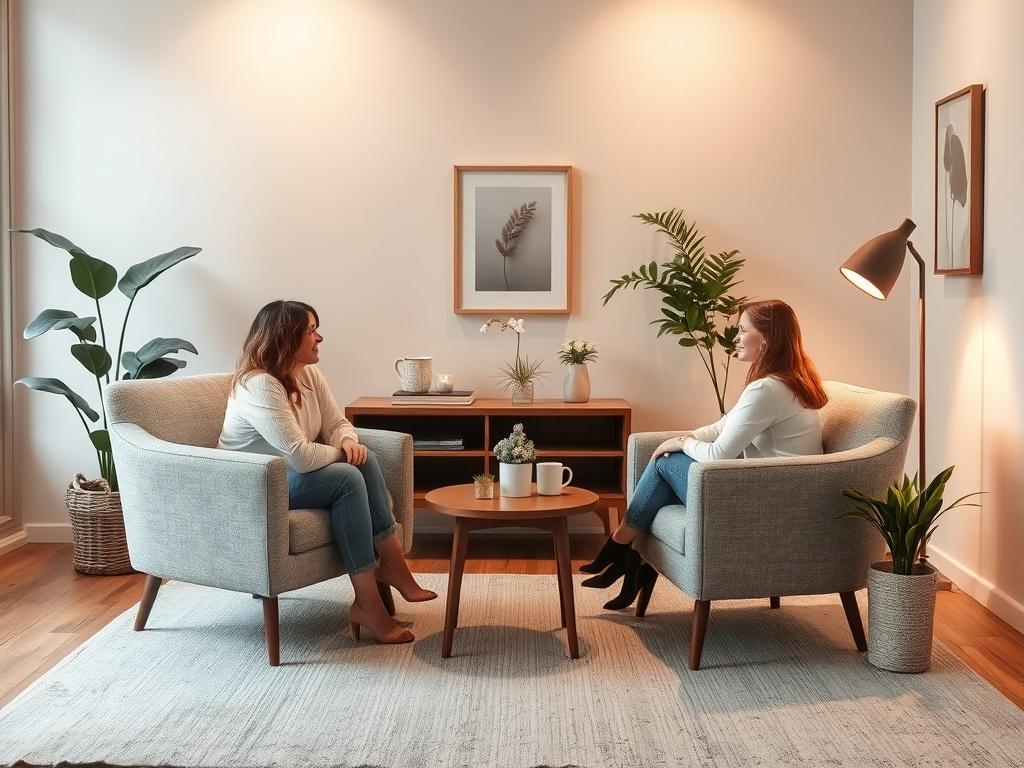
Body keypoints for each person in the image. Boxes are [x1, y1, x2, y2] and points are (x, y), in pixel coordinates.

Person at [579, 299, 828, 610]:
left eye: (743, 330)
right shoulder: (787, 381)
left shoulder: (768, 390)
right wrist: (688, 437)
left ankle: (619, 552)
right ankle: (630, 561)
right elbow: (723, 425)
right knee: (667, 468)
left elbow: (719, 455)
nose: (736, 337)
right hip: (776, 492)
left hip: (762, 499)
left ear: (765, 339)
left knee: (664, 465)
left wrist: (681, 444)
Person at [218, 300, 436, 645]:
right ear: (286, 336)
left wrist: (349, 442)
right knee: (347, 475)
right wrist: (343, 453)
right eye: (310, 330)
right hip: (253, 485)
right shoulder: (258, 385)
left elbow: (336, 423)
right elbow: (302, 457)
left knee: (365, 460)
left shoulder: (306, 373)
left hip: (288, 475)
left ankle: (390, 566)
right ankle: (370, 602)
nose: (319, 337)